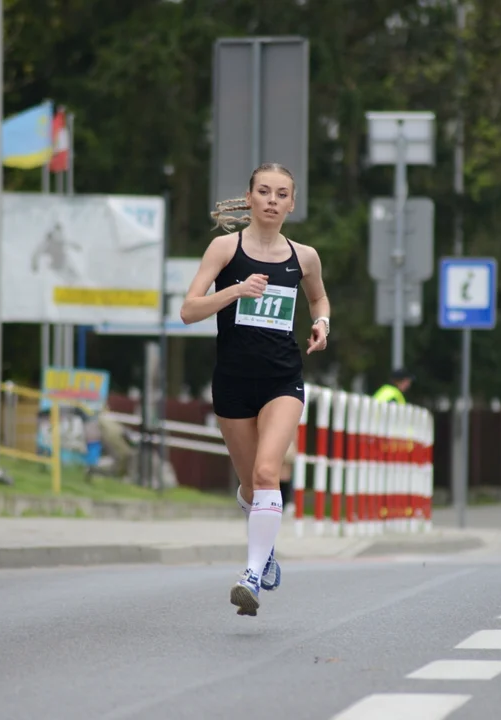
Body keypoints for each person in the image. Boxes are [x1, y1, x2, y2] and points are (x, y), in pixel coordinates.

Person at [180, 162, 330, 617]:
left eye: (281, 194)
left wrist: (322, 321)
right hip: (232, 383)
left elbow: (318, 297)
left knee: (268, 473)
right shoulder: (225, 248)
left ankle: (250, 577)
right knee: (250, 485)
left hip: (282, 379)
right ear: (249, 198)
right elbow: (189, 310)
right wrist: (236, 291)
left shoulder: (304, 256)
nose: (271, 200)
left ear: (292, 203)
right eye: (263, 191)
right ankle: (263, 551)